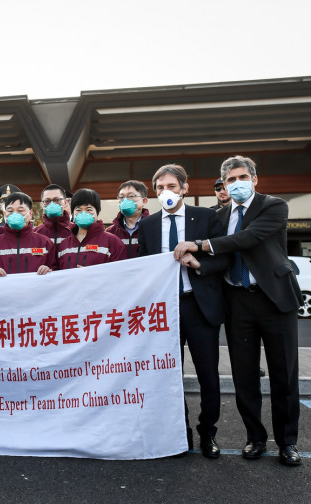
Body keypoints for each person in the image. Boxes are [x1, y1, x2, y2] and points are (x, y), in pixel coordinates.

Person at [174, 155, 303, 466]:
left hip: (275, 299)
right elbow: (221, 259)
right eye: (230, 180)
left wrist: (200, 245)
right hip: (236, 300)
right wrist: (200, 264)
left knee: (284, 374)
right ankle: (255, 438)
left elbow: (248, 238)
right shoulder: (218, 216)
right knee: (244, 375)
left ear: (254, 179)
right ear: (224, 184)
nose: (237, 184)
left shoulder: (274, 206)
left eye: (242, 177)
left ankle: (287, 442)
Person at [137, 165, 229, 459]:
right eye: (160, 188)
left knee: (207, 375)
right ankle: (180, 434)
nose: (166, 192)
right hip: (165, 310)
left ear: (184, 188)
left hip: (199, 307)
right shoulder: (148, 226)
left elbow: (225, 258)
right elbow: (142, 265)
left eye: (172, 186)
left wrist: (199, 264)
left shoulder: (206, 217)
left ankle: (208, 433)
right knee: (169, 376)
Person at [0, 192, 56, 276]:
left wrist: (49, 270)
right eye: (10, 210)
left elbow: (58, 271)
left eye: (20, 210)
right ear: (5, 214)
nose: (15, 214)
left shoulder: (45, 243)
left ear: (30, 213)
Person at [57, 189, 126, 269]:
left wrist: (92, 274)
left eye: (89, 209)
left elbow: (120, 272)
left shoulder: (112, 242)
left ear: (97, 212)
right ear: (73, 213)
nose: (83, 213)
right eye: (78, 210)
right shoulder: (64, 245)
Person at [106, 180, 150, 259]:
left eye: (131, 196)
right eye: (121, 197)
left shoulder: (154, 227)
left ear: (144, 201)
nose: (125, 200)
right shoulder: (111, 231)